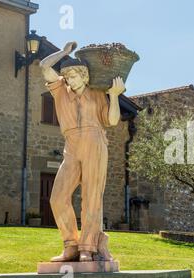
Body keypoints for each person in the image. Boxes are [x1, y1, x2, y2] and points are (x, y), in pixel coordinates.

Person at [40, 41, 125, 263]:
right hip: (72, 145)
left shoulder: (97, 94)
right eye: (67, 76)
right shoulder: (60, 91)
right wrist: (64, 53)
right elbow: (44, 66)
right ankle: (70, 245)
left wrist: (114, 95)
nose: (69, 79)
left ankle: (88, 246)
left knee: (91, 197)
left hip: (94, 142)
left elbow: (113, 120)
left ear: (84, 76)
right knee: (57, 197)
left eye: (73, 76)